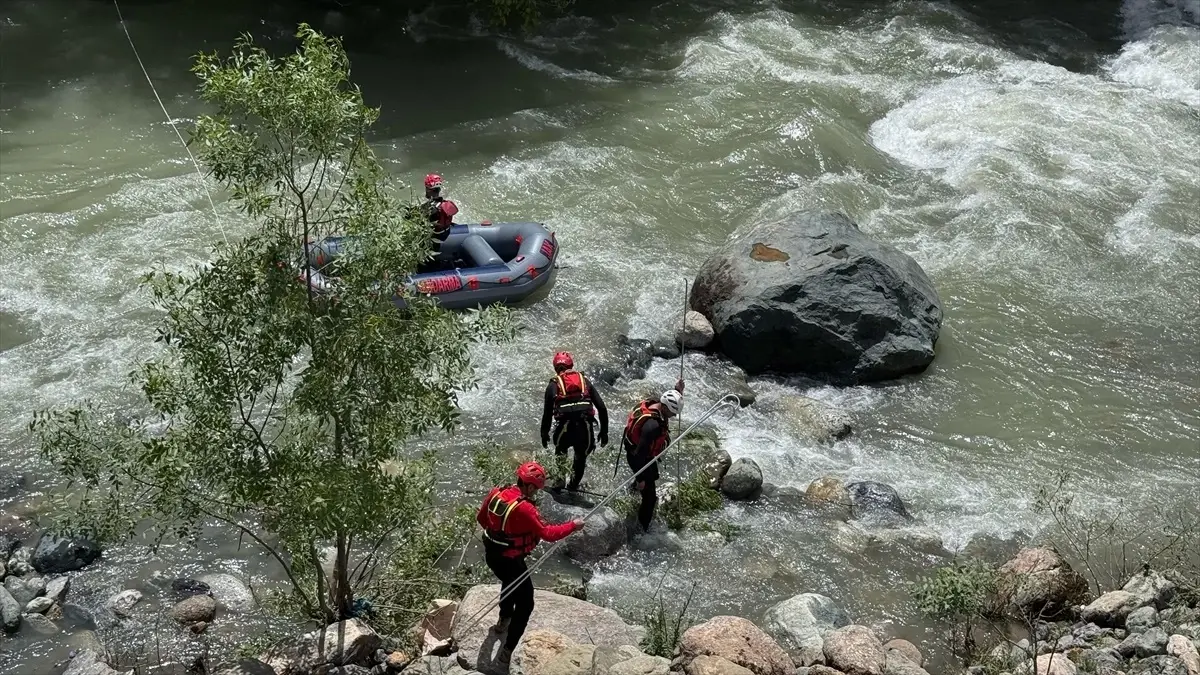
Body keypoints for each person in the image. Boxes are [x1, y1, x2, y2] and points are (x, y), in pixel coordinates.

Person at [477, 462, 584, 666]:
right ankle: (507, 650)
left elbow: (482, 519)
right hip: (511, 561)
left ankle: (503, 620)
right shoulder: (525, 508)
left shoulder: (497, 493)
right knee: (526, 604)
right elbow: (548, 534)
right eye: (536, 490)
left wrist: (505, 534)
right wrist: (573, 526)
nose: (536, 494)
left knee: (509, 582)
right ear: (530, 487)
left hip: (493, 556)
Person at [540, 352, 609, 492]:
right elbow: (602, 407)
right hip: (585, 427)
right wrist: (604, 432)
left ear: (555, 368)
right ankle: (573, 487)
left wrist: (544, 433)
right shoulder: (584, 381)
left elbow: (547, 414)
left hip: (564, 428)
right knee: (580, 457)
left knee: (560, 451)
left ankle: (559, 483)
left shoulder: (553, 385)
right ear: (571, 365)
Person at [621, 379, 684, 532]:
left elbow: (670, 402)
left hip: (643, 455)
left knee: (649, 481)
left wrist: (678, 391)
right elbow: (639, 455)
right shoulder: (652, 426)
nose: (674, 417)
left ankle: (630, 492)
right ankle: (641, 531)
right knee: (650, 498)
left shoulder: (656, 404)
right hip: (638, 457)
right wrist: (641, 478)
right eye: (672, 413)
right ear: (665, 408)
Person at [421, 173, 459, 240]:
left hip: (437, 238)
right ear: (439, 190)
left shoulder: (427, 208)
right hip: (447, 232)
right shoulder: (446, 204)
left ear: (428, 190)